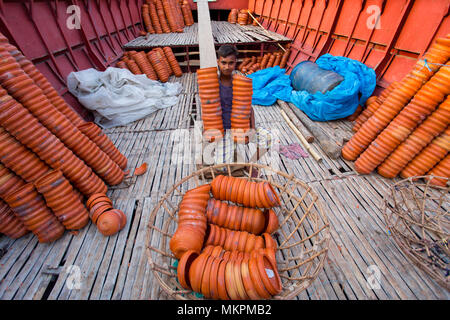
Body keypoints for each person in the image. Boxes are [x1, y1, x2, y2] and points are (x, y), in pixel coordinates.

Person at [217, 44, 255, 131]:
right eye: (223, 63)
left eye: (231, 63)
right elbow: (207, 111)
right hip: (219, 130)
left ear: (235, 62)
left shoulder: (242, 84)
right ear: (218, 62)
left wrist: (253, 130)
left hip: (239, 129)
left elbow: (249, 108)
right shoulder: (212, 84)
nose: (227, 67)